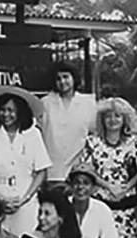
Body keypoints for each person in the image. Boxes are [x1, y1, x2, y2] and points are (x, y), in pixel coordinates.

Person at [81, 97, 137, 238]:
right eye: (108, 116)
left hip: (127, 209)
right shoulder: (93, 142)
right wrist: (108, 185)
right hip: (101, 206)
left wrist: (126, 186)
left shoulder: (134, 142)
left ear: (125, 119)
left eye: (117, 116)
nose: (113, 120)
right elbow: (87, 171)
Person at [0, 86, 52, 237]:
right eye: (2, 110)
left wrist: (26, 198)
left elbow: (42, 171)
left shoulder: (33, 134)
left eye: (11, 110)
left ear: (20, 112)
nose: (6, 114)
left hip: (25, 200)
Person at [39, 61, 97, 191]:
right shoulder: (45, 103)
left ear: (74, 78)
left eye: (66, 77)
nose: (62, 81)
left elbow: (94, 135)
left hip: (79, 171)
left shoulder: (88, 103)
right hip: (51, 171)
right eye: (58, 78)